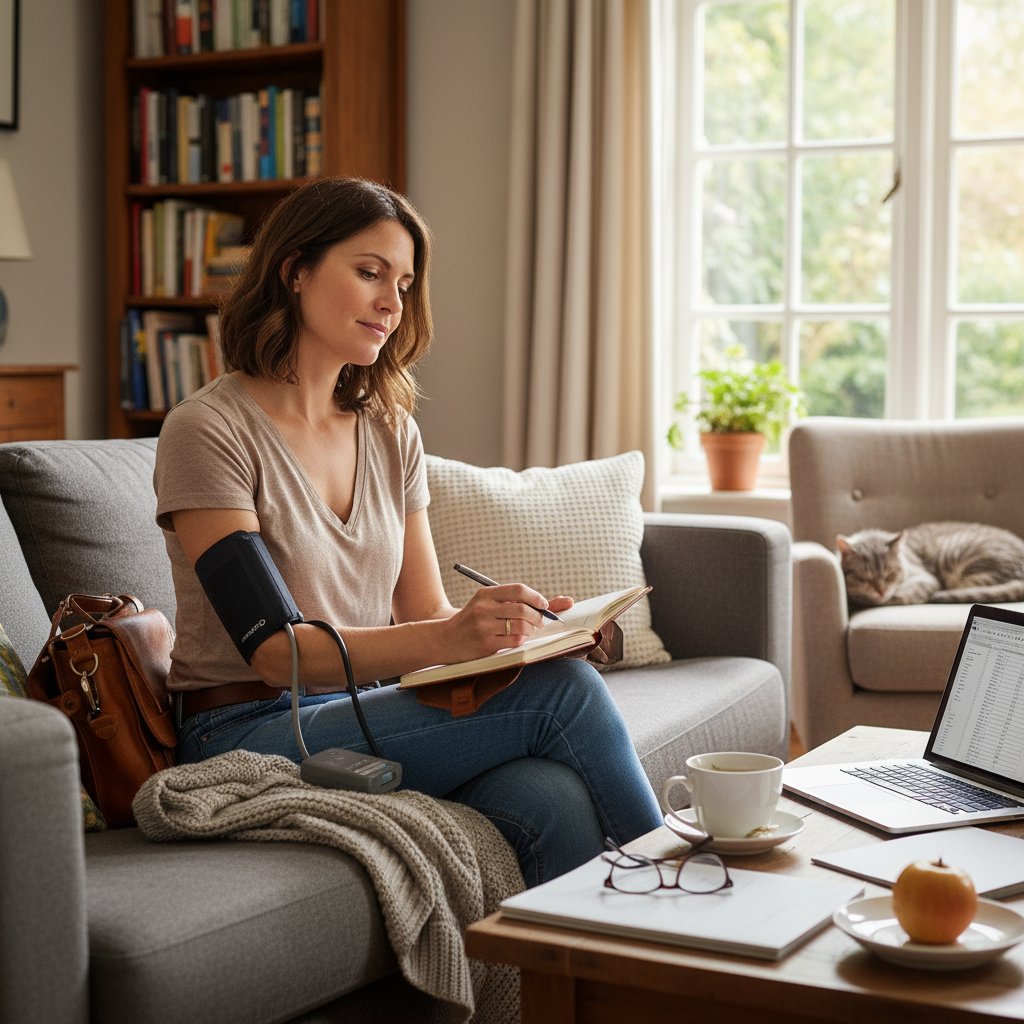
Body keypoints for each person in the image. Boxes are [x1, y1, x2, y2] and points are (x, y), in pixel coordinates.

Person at [154, 176, 663, 886]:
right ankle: (691, 908)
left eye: (404, 282)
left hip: (360, 715)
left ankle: (605, 990)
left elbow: (424, 615)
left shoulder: (390, 429)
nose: (393, 303)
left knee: (551, 799)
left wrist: (525, 633)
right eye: (369, 273)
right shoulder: (208, 430)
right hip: (244, 733)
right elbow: (275, 653)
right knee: (565, 695)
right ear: (295, 271)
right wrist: (453, 638)